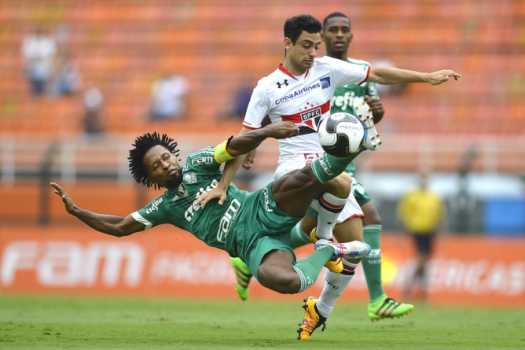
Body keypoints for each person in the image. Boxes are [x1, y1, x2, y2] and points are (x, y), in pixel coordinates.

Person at [195, 14, 460, 340]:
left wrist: (426, 77)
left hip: (325, 164)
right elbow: (241, 139)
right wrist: (223, 185)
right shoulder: (266, 88)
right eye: (306, 45)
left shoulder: (326, 69)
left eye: (316, 45)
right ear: (287, 43)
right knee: (340, 182)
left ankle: (319, 310)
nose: (312, 52)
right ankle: (321, 239)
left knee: (356, 246)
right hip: (293, 169)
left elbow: (375, 72)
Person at [51, 122, 372, 305]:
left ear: (172, 154)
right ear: (152, 178)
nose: (166, 164)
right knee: (284, 282)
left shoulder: (195, 165)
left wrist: (267, 131)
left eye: (166, 157)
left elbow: (233, 146)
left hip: (263, 207)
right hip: (253, 247)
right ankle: (329, 249)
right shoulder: (164, 207)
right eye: (157, 167)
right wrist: (77, 211)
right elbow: (120, 226)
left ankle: (351, 144)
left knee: (318, 178)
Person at [397, 170, 447, 303]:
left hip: (430, 231)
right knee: (422, 259)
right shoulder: (412, 196)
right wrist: (402, 231)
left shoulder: (434, 196)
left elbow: (440, 214)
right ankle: (418, 290)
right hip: (417, 230)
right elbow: (404, 214)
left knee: (425, 261)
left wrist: (442, 231)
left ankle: (413, 287)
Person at [20, 27, 57, 96]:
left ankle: (40, 92)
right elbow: (26, 54)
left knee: (41, 74)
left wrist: (39, 57)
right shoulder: (30, 41)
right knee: (32, 73)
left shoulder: (47, 41)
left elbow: (50, 55)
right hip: (32, 66)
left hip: (44, 67)